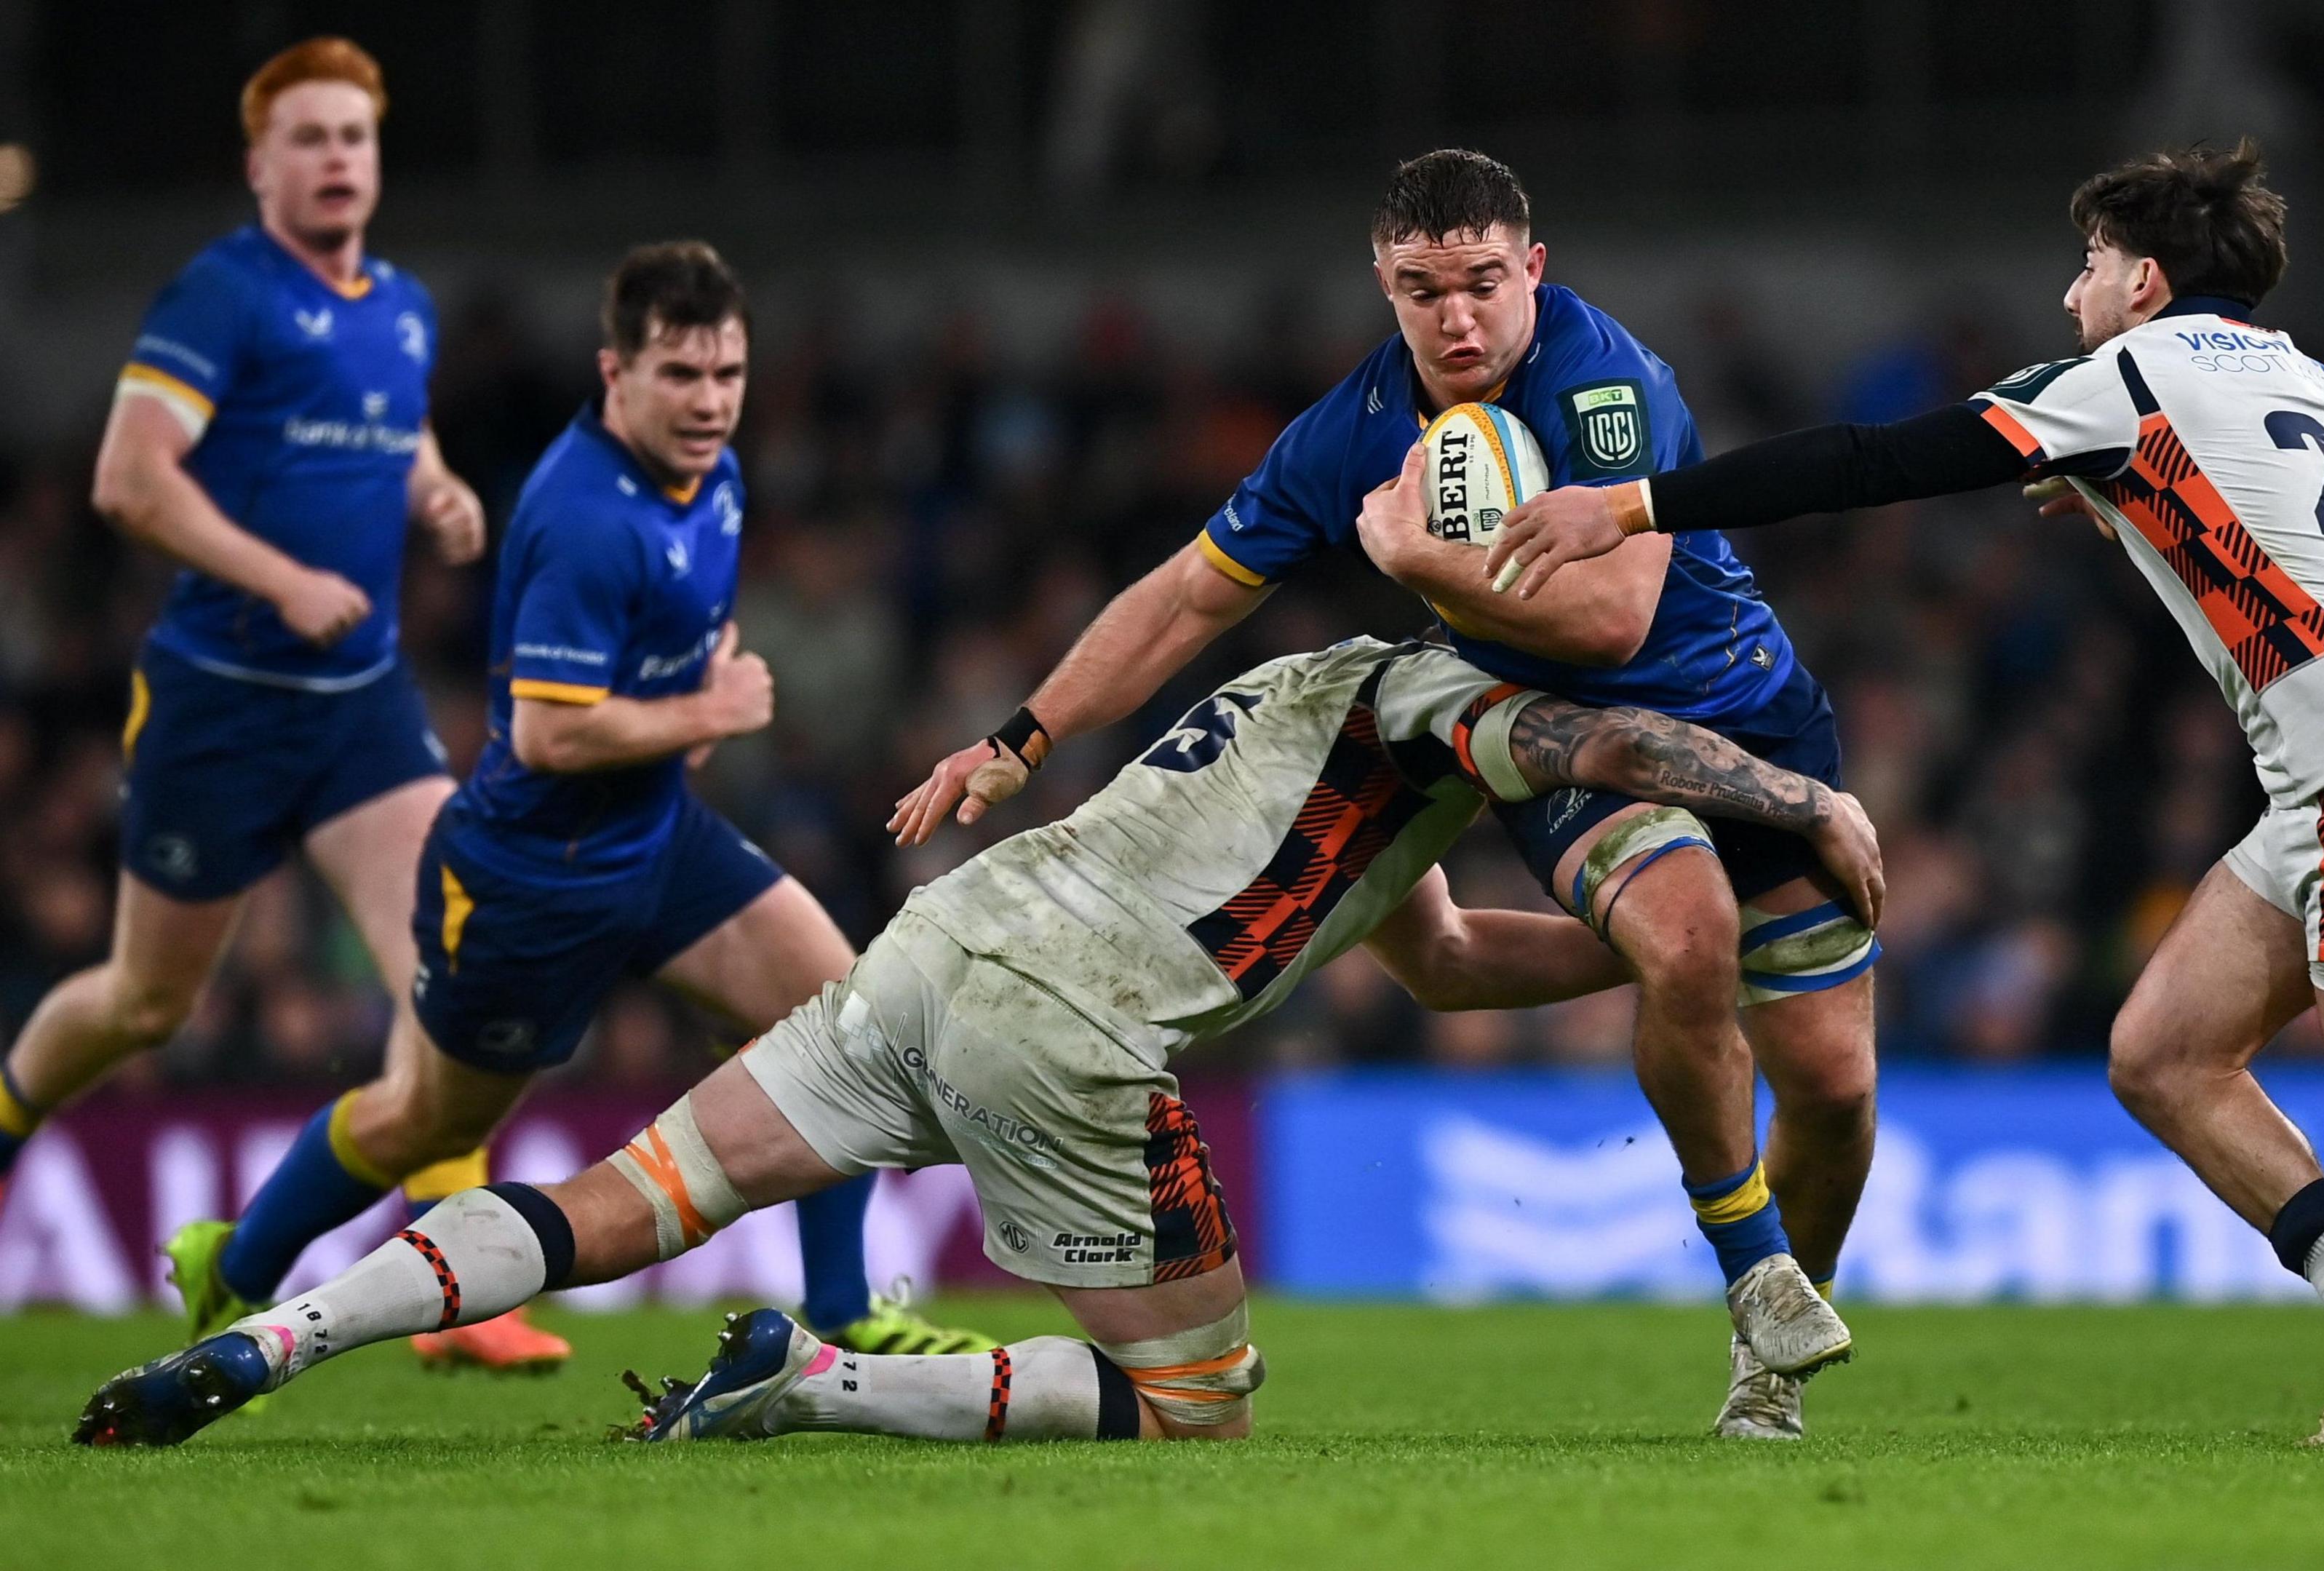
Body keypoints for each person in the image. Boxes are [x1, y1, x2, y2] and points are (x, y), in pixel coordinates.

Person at [1483, 140, 2324, 1446]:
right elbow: (2268, 531)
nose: (2070, 295)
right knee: (2160, 1055)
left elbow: (1871, 460)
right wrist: (2122, 500)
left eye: (2089, 265)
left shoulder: (2130, 374)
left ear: (2146, 283)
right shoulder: (2300, 374)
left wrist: (1636, 505)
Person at [75, 635, 1885, 1449]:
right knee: (1202, 1408)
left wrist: (1646, 953)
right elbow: (1616, 756)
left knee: (627, 1194)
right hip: (1070, 1030)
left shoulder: (1302, 705)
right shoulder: (1439, 692)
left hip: (943, 947)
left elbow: (1441, 963)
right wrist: (1799, 796)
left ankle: (275, 1341)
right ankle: (819, 1382)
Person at [899, 149, 1878, 1438]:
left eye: (1482, 283)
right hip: (1560, 742)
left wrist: (1421, 558)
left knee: (1833, 1087)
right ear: (1385, 285)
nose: (1458, 318)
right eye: (1425, 291)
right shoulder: (1349, 429)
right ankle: (1757, 1282)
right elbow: (1192, 594)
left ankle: (1769, 1339)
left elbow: (1615, 612)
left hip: (1750, 714)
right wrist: (1024, 734)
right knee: (1685, 935)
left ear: (1534, 268)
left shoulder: (1605, 379)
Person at [162, 242, 988, 1371]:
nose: (708, 403)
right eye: (680, 377)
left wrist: (692, 691)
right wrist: (707, 708)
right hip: (533, 873)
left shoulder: (718, 476)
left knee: (835, 1006)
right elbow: (550, 733)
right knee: (426, 1121)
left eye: (726, 375)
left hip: (658, 837)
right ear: (616, 372)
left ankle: (842, 1316)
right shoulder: (586, 514)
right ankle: (236, 1269)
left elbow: (673, 641)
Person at [0, 38, 518, 1357]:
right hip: (220, 704)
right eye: (311, 138)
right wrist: (279, 578)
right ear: (260, 165)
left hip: (358, 704)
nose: (339, 157)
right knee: (143, 1004)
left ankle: (448, 1299)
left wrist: (438, 488)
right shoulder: (219, 295)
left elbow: (389, 432)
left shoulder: (399, 303)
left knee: (443, 959)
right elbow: (130, 477)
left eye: (356, 136)